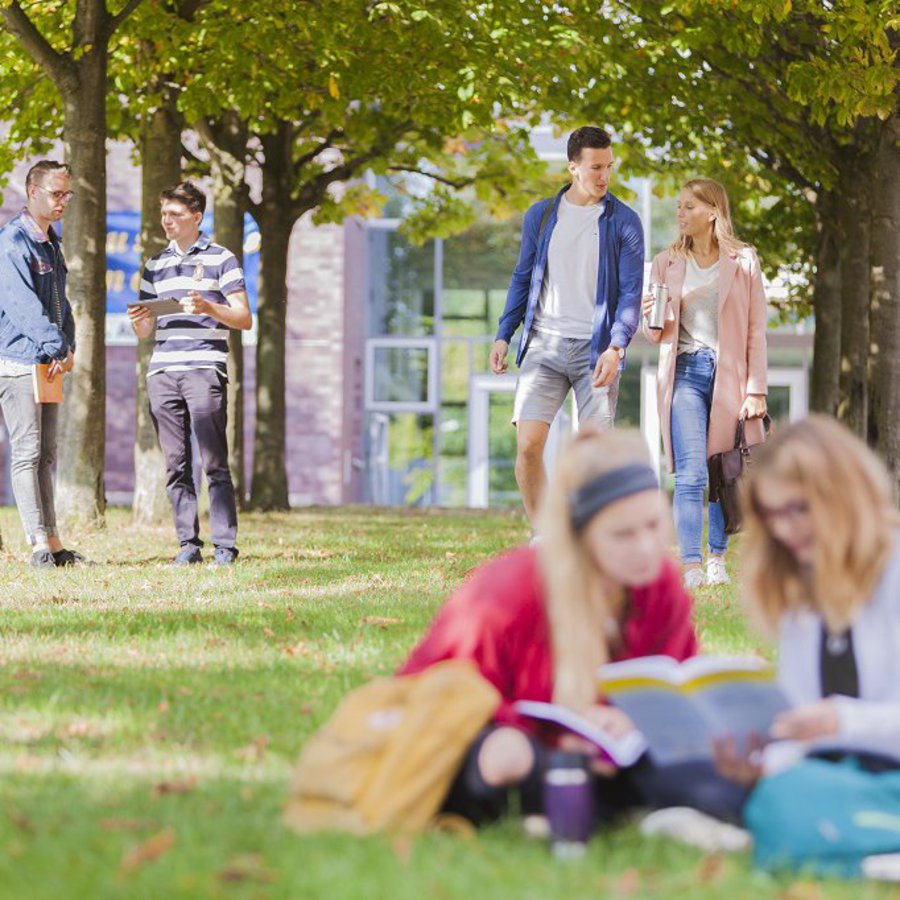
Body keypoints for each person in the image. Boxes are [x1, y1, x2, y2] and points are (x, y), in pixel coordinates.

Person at [400, 428, 744, 827]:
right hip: (509, 745)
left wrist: (637, 721)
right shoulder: (509, 592)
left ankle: (591, 805)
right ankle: (581, 803)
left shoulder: (660, 586)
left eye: (653, 526)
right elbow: (436, 695)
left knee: (721, 786)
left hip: (615, 755)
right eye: (623, 534)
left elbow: (671, 683)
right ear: (579, 536)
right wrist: (549, 729)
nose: (647, 547)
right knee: (507, 758)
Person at [715, 415, 900, 783]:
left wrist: (841, 721)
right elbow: (804, 722)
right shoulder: (798, 583)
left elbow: (833, 724)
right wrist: (762, 766)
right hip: (834, 779)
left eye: (798, 509)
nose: (784, 530)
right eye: (771, 516)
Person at [490, 126, 645, 528]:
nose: (604, 176)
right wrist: (504, 333)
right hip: (544, 345)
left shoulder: (624, 222)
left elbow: (631, 293)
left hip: (596, 352)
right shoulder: (541, 216)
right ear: (573, 167)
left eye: (609, 166)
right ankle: (545, 537)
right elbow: (523, 277)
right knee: (527, 448)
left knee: (596, 458)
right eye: (595, 167)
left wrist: (617, 346)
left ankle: (589, 538)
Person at [642, 178, 767, 589]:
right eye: (679, 207)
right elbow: (657, 335)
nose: (680, 214)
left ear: (712, 212)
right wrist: (650, 317)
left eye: (688, 207)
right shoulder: (666, 263)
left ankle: (717, 559)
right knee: (692, 474)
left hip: (729, 376)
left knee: (721, 472)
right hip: (685, 373)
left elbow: (755, 331)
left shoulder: (743, 260)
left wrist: (755, 389)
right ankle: (691, 565)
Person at [128, 181, 251, 566]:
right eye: (164, 213)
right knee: (175, 465)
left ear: (196, 217)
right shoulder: (154, 265)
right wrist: (140, 321)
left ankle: (225, 547)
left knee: (213, 461)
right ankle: (188, 546)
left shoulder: (222, 259)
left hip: (204, 369)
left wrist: (209, 309)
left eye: (176, 214)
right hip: (163, 371)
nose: (167, 220)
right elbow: (147, 332)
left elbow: (244, 318)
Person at [0, 160, 85, 568]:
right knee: (26, 451)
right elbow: (22, 307)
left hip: (47, 362)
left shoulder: (51, 241)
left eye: (67, 194)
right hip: (18, 361)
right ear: (32, 191)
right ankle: (36, 544)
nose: (63, 201)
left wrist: (65, 345)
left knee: (47, 453)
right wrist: (55, 346)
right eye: (56, 193)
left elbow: (60, 304)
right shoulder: (13, 242)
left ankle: (53, 543)